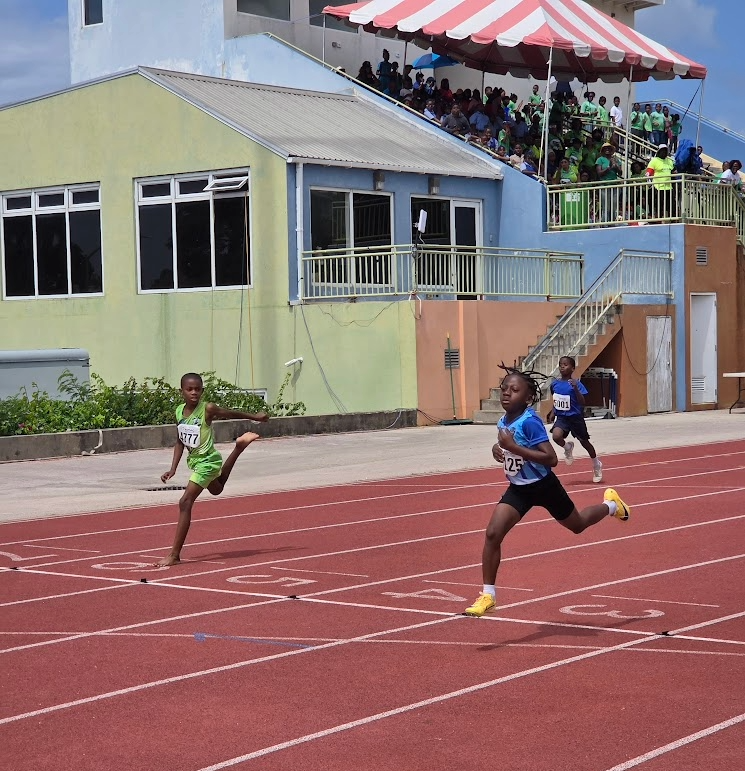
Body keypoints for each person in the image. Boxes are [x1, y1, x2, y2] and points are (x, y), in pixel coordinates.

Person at [464, 365, 629, 617]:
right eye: (504, 389)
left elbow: (551, 459)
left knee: (578, 524)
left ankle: (612, 506)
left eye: (514, 390)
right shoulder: (503, 420)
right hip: (519, 488)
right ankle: (488, 595)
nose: (507, 393)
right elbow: (508, 446)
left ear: (528, 397)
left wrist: (512, 447)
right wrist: (498, 450)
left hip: (544, 486)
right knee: (492, 534)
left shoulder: (530, 422)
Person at [156, 373, 269, 567]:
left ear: (202, 390)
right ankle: (239, 447)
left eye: (197, 389)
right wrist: (172, 468)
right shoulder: (178, 411)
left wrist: (255, 417)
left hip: (208, 462)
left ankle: (174, 555)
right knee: (217, 489)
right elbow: (179, 441)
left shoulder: (207, 409)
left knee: (185, 502)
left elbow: (230, 413)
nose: (193, 393)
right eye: (189, 389)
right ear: (181, 391)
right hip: (196, 462)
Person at [547, 356, 603, 483]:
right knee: (556, 436)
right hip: (562, 417)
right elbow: (557, 399)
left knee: (585, 443)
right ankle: (568, 447)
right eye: (560, 364)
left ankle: (596, 464)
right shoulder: (555, 384)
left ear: (572, 368)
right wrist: (553, 411)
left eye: (565, 364)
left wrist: (575, 388)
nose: (562, 366)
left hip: (575, 418)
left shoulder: (576, 383)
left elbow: (582, 402)